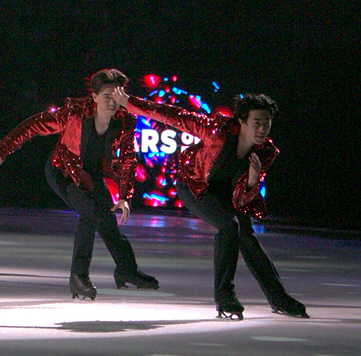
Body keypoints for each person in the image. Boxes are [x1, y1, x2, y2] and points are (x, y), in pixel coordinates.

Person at [110, 87, 308, 320]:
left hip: (226, 194)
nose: (262, 129)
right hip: (193, 186)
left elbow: (244, 201)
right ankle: (225, 296)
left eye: (267, 123)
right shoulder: (215, 131)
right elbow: (171, 114)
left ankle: (280, 299)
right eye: (257, 123)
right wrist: (129, 102)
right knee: (229, 226)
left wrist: (252, 179)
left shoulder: (265, 152)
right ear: (242, 122)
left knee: (247, 236)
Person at [0, 69, 158, 300]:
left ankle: (127, 270)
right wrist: (3, 149)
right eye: (107, 96)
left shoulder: (125, 120)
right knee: (90, 213)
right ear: (94, 97)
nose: (113, 102)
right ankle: (78, 276)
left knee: (107, 220)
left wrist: (125, 196)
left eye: (117, 95)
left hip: (92, 176)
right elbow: (34, 125)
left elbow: (127, 158)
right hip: (63, 171)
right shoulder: (75, 113)